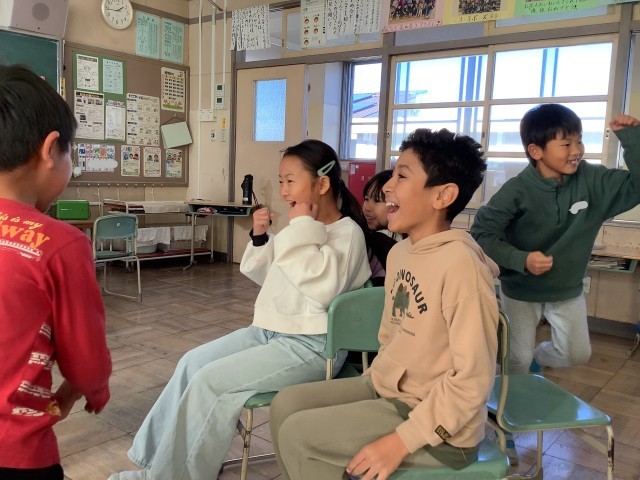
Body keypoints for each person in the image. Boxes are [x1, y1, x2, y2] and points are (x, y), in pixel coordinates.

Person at [109, 139, 371, 480]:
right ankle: (156, 461)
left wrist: (302, 227)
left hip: (313, 345)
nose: (283, 190)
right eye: (281, 181)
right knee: (192, 363)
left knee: (210, 383)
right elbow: (273, 277)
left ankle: (166, 477)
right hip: (269, 332)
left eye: (291, 180)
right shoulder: (301, 229)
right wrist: (261, 238)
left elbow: (321, 291)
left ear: (322, 184)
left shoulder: (347, 233)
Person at [269, 128, 499, 480]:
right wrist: (373, 384)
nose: (388, 186)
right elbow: (391, 337)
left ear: (443, 195)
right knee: (284, 405)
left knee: (300, 434)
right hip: (390, 390)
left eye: (402, 176)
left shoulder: (461, 266)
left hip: (442, 429)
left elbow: (474, 381)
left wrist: (400, 441)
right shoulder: (401, 252)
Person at [471, 104, 640, 466]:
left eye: (579, 140)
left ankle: (538, 358)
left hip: (567, 290)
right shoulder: (517, 190)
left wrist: (632, 138)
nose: (576, 150)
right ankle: (505, 427)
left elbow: (637, 185)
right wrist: (521, 259)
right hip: (520, 291)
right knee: (514, 361)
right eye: (566, 143)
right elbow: (482, 233)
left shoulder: (592, 181)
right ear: (536, 151)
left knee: (576, 354)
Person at [0, 65, 112, 480]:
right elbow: (85, 359)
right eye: (71, 152)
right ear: (51, 150)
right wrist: (88, 389)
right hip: (16, 451)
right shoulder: (60, 243)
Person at [361, 169, 400, 286]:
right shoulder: (375, 239)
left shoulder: (384, 240)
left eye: (377, 200)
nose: (367, 208)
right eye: (366, 199)